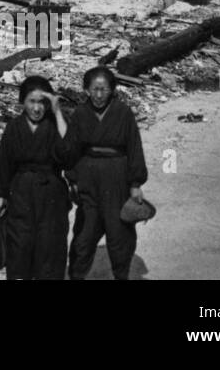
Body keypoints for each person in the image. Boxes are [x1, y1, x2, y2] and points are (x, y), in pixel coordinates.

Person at [60, 65, 148, 281]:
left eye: (104, 90)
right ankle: (77, 275)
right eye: (94, 89)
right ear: (86, 90)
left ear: (112, 90)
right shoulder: (81, 114)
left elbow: (134, 148)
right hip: (88, 178)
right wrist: (72, 179)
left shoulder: (123, 113)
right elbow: (71, 149)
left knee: (119, 234)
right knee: (84, 235)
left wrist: (135, 184)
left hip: (117, 177)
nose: (99, 95)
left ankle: (121, 275)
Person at [0, 75, 71, 280]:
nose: (36, 108)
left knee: (50, 246)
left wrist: (57, 112)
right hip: (21, 194)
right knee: (19, 244)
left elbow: (69, 150)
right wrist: (0, 196)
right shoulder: (14, 127)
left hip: (51, 194)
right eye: (31, 101)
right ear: (22, 102)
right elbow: (4, 162)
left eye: (42, 102)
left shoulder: (56, 124)